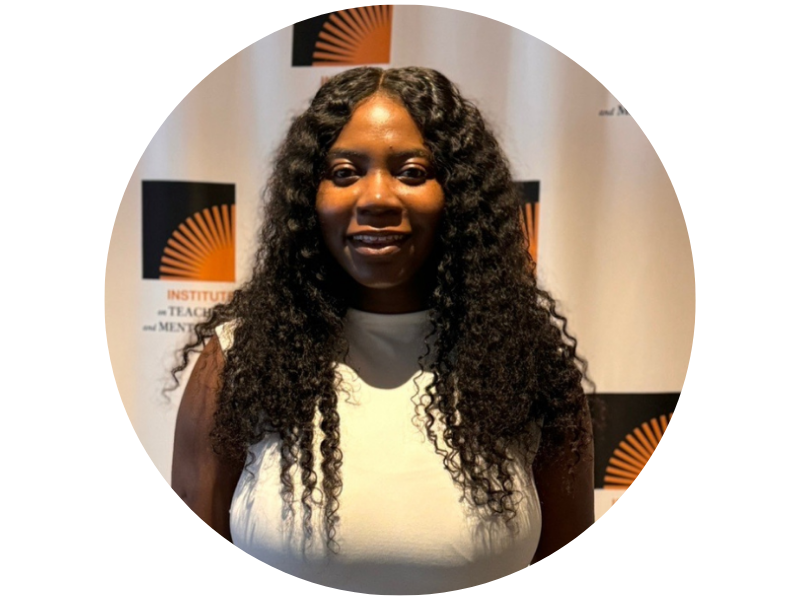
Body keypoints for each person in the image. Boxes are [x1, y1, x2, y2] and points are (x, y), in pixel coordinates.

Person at [170, 66, 594, 594]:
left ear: (460, 197)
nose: (376, 198)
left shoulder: (529, 371)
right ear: (309, 197)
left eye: (413, 172)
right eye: (345, 172)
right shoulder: (238, 361)